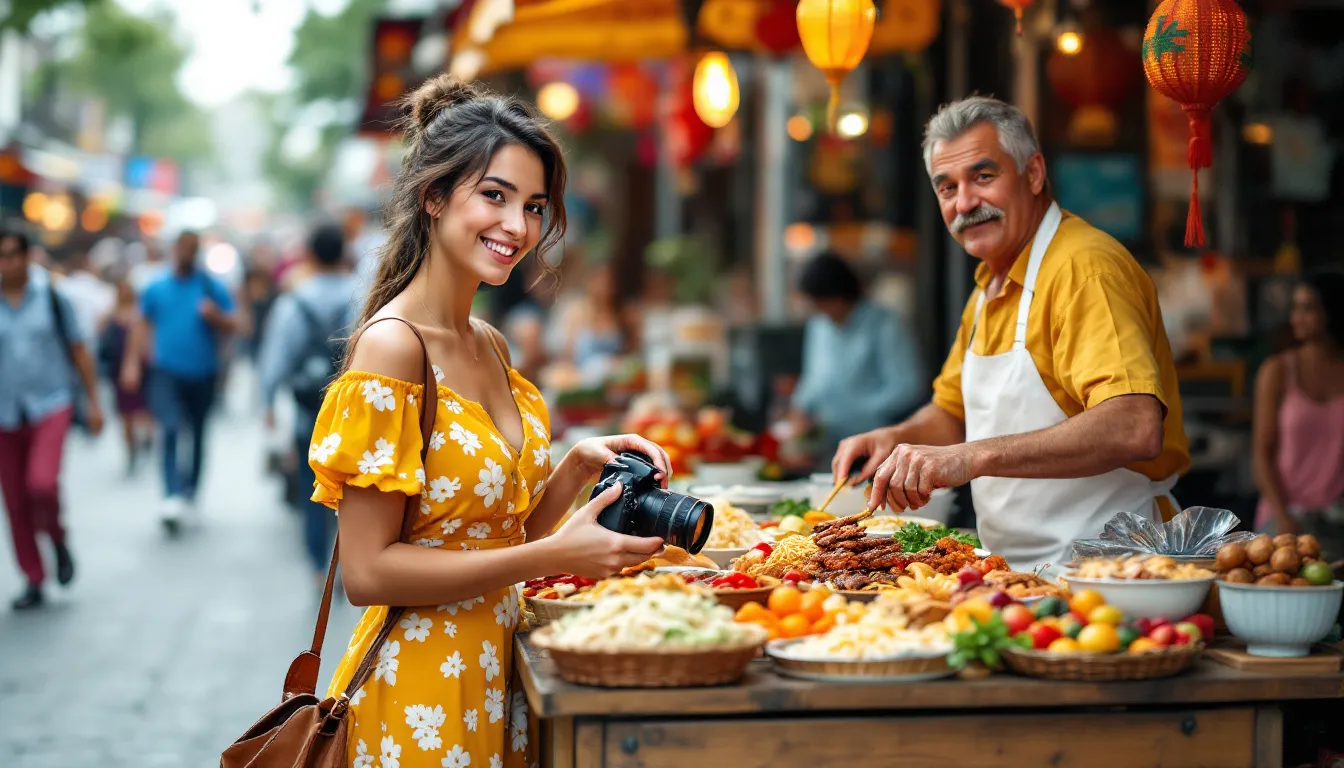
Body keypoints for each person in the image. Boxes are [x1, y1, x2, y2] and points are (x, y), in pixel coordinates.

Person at [306, 75, 671, 768]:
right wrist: (553, 558)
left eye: (534, 206)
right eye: (494, 196)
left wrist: (574, 471)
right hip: (421, 698)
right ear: (434, 197)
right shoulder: (392, 347)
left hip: (501, 678)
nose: (518, 227)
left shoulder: (490, 344)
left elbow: (502, 537)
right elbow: (368, 573)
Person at [833, 96, 1190, 570]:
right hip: (1017, 573)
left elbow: (1134, 425)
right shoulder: (989, 285)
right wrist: (895, 438)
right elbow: (953, 414)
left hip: (1113, 571)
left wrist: (971, 458)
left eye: (983, 177)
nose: (964, 203)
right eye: (946, 187)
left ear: (1034, 173)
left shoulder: (1085, 268)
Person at [0, 226, 104, 610]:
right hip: (6, 412)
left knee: (41, 485)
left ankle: (57, 537)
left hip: (51, 404)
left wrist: (94, 403)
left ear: (28, 257)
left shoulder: (53, 299)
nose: (6, 263)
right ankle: (33, 576)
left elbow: (79, 351)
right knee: (14, 499)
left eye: (12, 254)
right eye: (1, 256)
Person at [256, 222, 359, 588]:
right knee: (357, 488)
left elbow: (277, 356)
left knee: (312, 484)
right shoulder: (362, 296)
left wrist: (267, 401)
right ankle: (354, 560)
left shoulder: (294, 302)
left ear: (311, 255)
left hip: (310, 410)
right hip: (357, 410)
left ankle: (320, 566)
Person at [120, 231, 238, 534]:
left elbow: (235, 323)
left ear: (197, 252)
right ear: (174, 250)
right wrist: (132, 362)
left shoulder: (211, 287)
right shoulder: (155, 287)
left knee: (198, 433)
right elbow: (141, 324)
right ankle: (171, 495)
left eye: (191, 249)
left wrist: (215, 317)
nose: (186, 254)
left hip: (203, 371)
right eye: (181, 248)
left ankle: (190, 492)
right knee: (170, 428)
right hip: (166, 371)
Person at [785, 251, 925, 464]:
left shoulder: (885, 324)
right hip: (827, 448)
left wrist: (857, 412)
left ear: (840, 295)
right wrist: (800, 408)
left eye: (822, 302)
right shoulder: (819, 325)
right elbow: (814, 378)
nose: (819, 309)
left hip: (875, 448)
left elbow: (907, 386)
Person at [1252, 271, 1344, 552]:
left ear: (1333, 310)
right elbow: (1262, 455)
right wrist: (1282, 516)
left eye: (1308, 308)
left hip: (1337, 519)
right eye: (1294, 308)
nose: (1296, 317)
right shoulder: (1277, 371)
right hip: (1284, 516)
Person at [99, 276, 153, 475]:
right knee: (125, 413)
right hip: (117, 369)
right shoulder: (111, 314)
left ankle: (146, 437)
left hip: (139, 368)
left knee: (143, 409)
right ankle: (131, 448)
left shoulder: (140, 315)